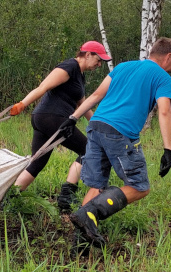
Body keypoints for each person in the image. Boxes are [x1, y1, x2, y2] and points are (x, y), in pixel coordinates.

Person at [59, 37, 171, 246]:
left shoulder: (123, 67)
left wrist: (73, 118)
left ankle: (80, 243)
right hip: (119, 133)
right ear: (168, 56)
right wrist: (168, 149)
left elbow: (97, 94)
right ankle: (90, 213)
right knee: (139, 186)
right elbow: (164, 110)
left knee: (97, 185)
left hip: (96, 126)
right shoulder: (162, 78)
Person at [9, 41, 111, 211]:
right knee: (88, 150)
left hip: (47, 119)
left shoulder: (80, 75)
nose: (99, 64)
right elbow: (43, 87)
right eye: (98, 59)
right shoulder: (69, 66)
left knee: (36, 164)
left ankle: (9, 200)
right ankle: (66, 196)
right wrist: (22, 104)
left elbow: (82, 104)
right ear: (87, 54)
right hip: (52, 119)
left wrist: (97, 123)